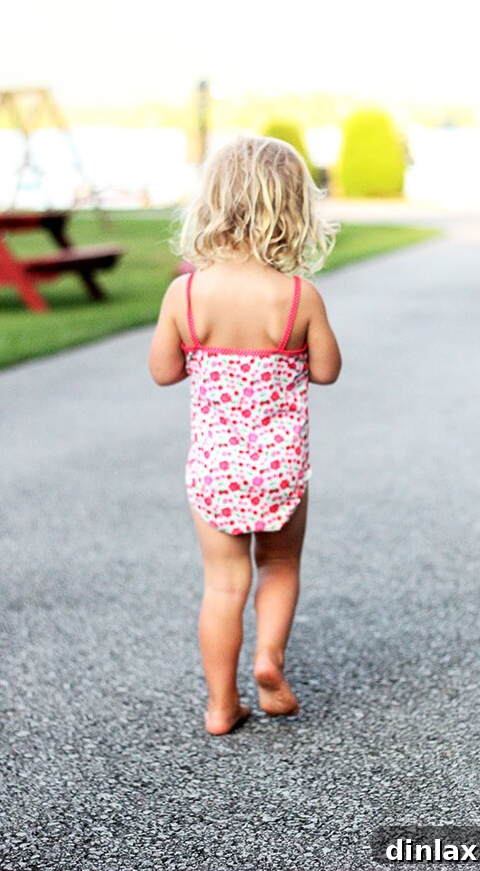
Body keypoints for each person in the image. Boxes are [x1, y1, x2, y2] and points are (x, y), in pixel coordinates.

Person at [148, 135, 342, 735]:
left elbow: (163, 371)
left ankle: (220, 704)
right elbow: (327, 371)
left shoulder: (185, 294)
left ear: (211, 204)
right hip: (281, 467)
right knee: (278, 564)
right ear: (294, 210)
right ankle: (268, 660)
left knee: (223, 585)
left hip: (216, 469)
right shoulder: (298, 297)